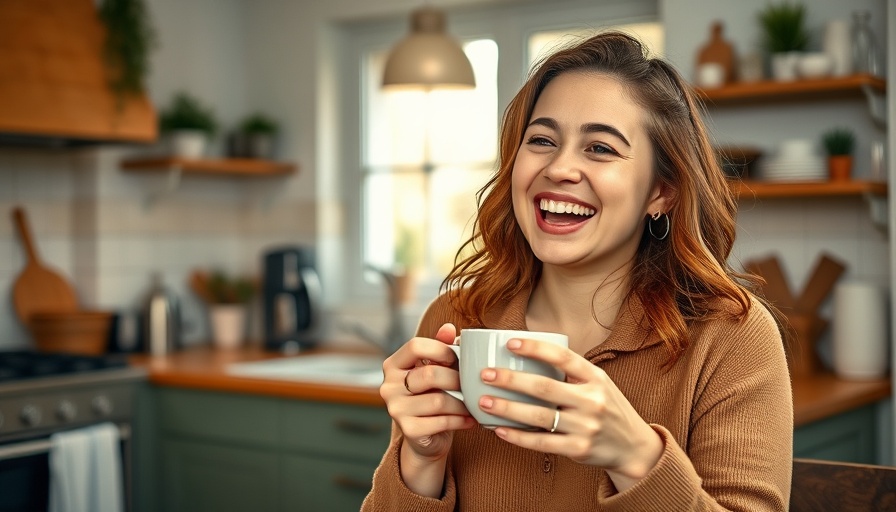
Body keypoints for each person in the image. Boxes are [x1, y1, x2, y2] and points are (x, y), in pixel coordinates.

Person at [362, 31, 792, 511]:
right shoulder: (456, 319)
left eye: (601, 149)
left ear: (661, 192)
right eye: (542, 140)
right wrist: (421, 460)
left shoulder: (733, 337)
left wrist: (635, 457)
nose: (560, 168)